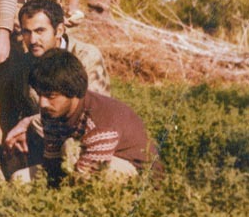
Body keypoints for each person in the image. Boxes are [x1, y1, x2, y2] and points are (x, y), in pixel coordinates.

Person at [0, 0, 110, 176]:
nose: (32, 39)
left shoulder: (86, 56)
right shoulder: (24, 64)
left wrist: (30, 122)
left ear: (59, 30)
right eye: (26, 32)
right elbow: (6, 114)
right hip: (43, 144)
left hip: (83, 143)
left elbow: (93, 113)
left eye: (40, 31)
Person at [8, 49, 159, 185]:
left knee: (88, 166)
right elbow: (52, 165)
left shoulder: (100, 121)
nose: (42, 103)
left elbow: (83, 179)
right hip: (86, 165)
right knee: (20, 179)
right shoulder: (51, 113)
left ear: (72, 91)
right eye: (39, 95)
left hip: (138, 175)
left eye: (50, 96)